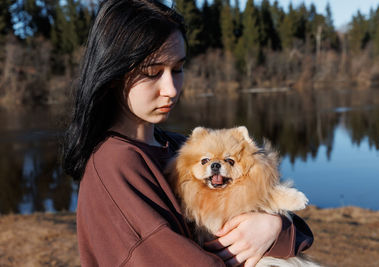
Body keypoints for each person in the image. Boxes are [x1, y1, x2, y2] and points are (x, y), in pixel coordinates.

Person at [62, 0, 313, 266]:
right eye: (153, 72)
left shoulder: (183, 148)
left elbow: (298, 234)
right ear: (113, 74)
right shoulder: (114, 164)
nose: (171, 88)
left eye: (178, 69)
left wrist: (274, 227)